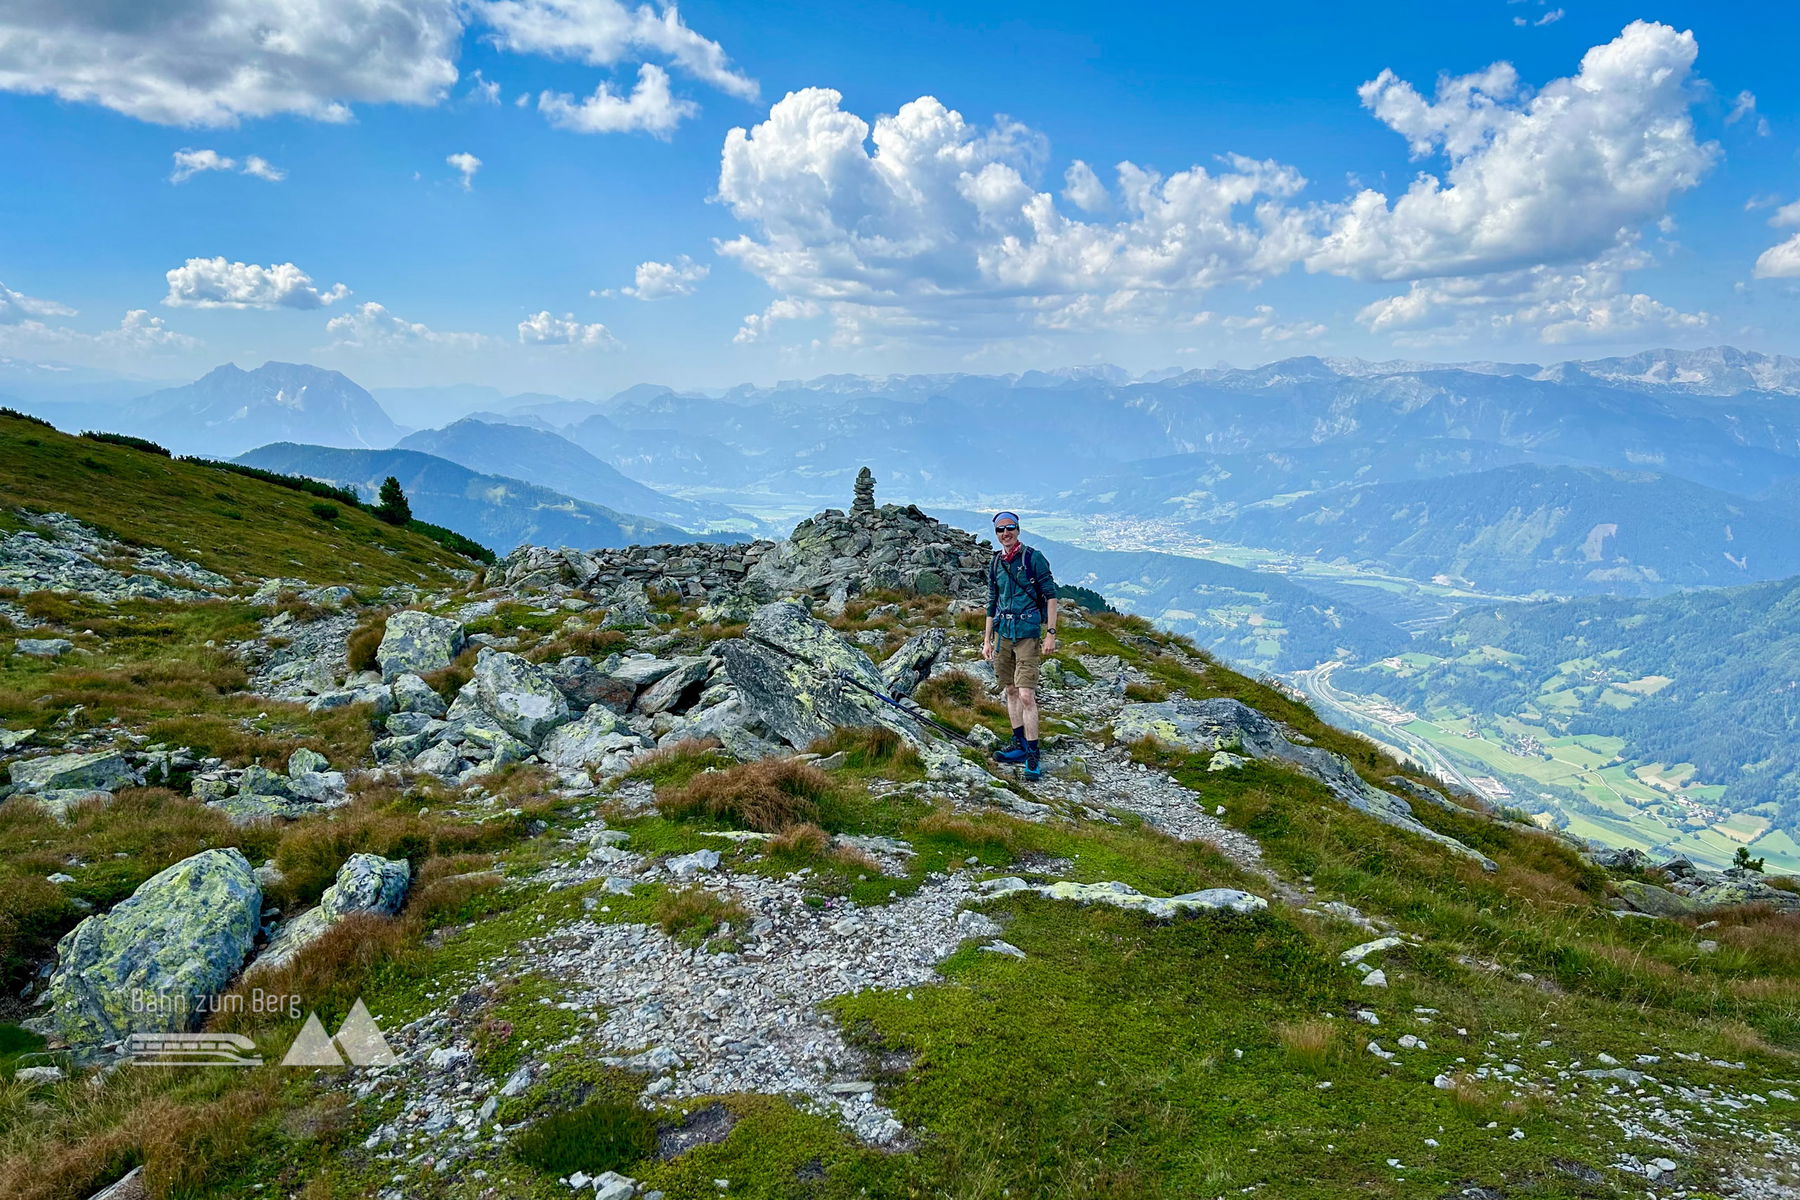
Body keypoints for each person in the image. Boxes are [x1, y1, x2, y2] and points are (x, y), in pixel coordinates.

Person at [981, 511, 1058, 779]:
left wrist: (1050, 633)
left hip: (1027, 634)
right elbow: (992, 601)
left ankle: (1033, 755)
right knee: (1010, 690)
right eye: (1000, 530)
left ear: (1018, 529)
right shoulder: (995, 563)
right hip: (1003, 634)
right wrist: (987, 639)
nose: (1006, 533)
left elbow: (1050, 596)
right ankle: (1019, 744)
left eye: (1010, 528)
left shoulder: (1032, 558)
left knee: (1026, 694)